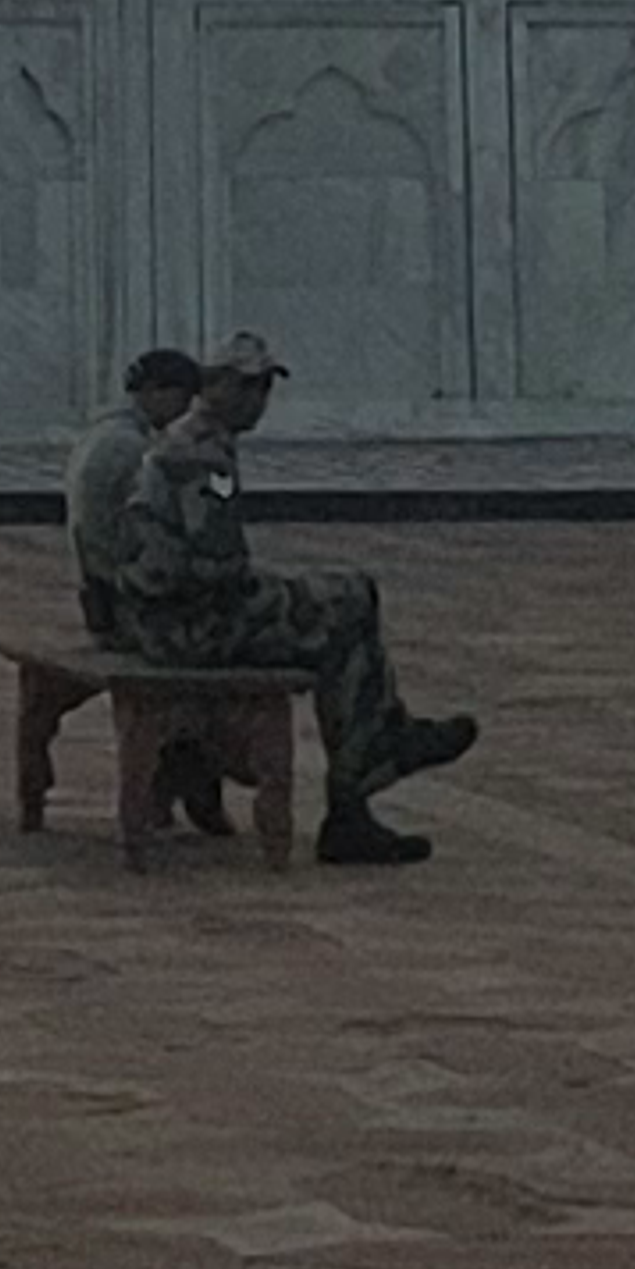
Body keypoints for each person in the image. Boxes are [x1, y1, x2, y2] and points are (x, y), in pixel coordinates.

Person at [109, 336, 477, 872]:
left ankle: (375, 755)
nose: (258, 400)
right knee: (350, 605)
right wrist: (278, 590)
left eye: (265, 387)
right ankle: (362, 779)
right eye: (247, 386)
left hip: (164, 616)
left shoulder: (188, 440)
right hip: (190, 625)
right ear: (214, 386)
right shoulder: (202, 454)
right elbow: (218, 564)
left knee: (342, 606)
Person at [65, 348, 229, 834]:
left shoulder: (102, 434)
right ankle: (189, 777)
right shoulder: (135, 449)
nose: (187, 412)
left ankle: (183, 774)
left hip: (101, 597)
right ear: (158, 393)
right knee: (217, 645)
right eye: (184, 398)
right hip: (124, 610)